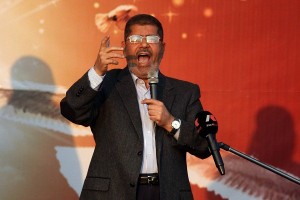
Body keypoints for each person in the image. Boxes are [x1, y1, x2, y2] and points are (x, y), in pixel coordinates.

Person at [60, 14, 211, 200]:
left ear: (162, 48)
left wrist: (171, 122)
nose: (144, 44)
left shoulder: (185, 92)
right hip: (113, 193)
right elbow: (71, 110)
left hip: (167, 193)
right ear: (124, 48)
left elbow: (205, 146)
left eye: (152, 39)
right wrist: (97, 71)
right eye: (136, 39)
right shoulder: (106, 84)